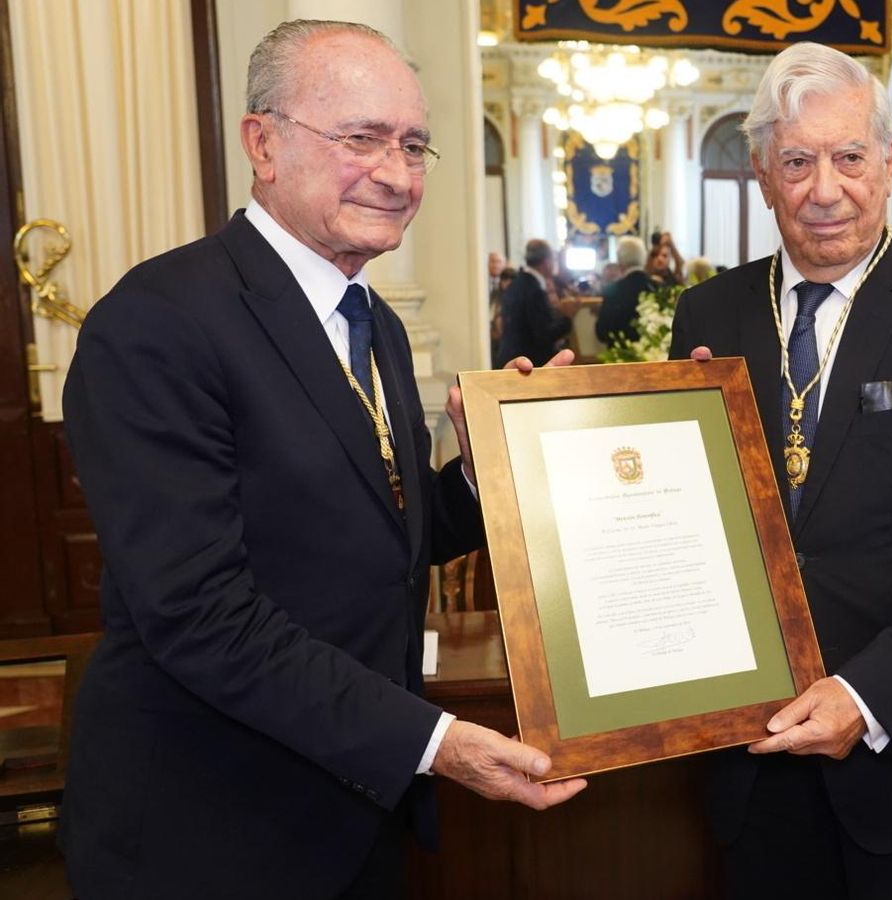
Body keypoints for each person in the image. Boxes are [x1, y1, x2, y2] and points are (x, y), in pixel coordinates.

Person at [59, 20, 585, 899]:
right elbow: (200, 615)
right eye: (361, 139)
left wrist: (496, 460)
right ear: (262, 143)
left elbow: (386, 534)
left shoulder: (366, 318)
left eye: (414, 144)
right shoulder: (159, 321)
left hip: (353, 814)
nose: (396, 173)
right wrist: (432, 743)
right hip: (213, 829)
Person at [668, 42, 892, 899]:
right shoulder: (708, 311)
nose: (824, 189)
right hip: (753, 757)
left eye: (849, 157)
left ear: (889, 163)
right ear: (762, 174)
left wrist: (866, 696)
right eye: (796, 161)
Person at [494, 237, 573, 367]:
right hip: (526, 364)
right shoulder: (533, 290)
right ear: (547, 262)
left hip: (511, 359)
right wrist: (568, 318)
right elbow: (543, 335)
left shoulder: (518, 283)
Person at [596, 234, 655, 346]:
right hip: (654, 355)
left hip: (620, 356)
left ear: (620, 260)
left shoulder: (612, 290)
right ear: (643, 257)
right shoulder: (658, 287)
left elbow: (602, 332)